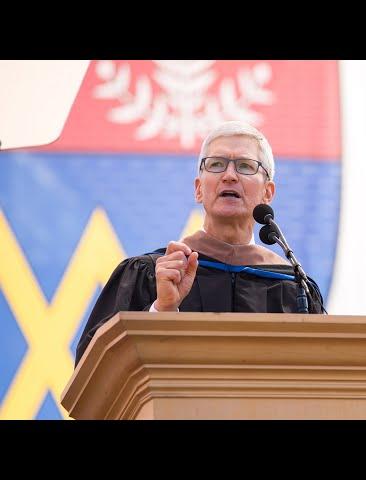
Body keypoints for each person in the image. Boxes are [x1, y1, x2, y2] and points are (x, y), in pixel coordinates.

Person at [75, 121, 324, 366]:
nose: (229, 176)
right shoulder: (154, 275)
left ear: (267, 193)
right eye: (216, 164)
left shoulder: (292, 287)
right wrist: (162, 310)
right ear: (198, 190)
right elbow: (93, 372)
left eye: (246, 166)